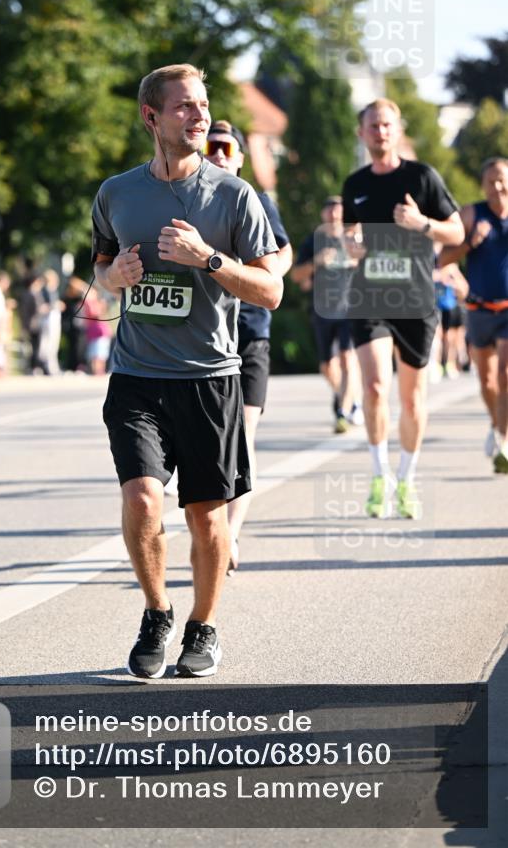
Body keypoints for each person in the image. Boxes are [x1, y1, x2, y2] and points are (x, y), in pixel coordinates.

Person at [92, 64, 282, 678]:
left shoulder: (233, 195)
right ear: (152, 118)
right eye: (184, 108)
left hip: (211, 378)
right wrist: (112, 278)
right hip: (137, 377)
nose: (200, 117)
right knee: (144, 499)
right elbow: (98, 271)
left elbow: (271, 291)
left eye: (203, 105)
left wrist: (210, 259)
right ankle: (156, 611)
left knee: (206, 516)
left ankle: (203, 626)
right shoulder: (117, 193)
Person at [341, 99, 464, 518]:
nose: (380, 132)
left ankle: (407, 478)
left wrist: (422, 224)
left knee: (412, 401)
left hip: (414, 298)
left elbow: (457, 231)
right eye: (372, 126)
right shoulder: (353, 183)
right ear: (362, 133)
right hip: (369, 296)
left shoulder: (422, 177)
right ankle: (380, 476)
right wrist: (352, 245)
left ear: (398, 129)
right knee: (375, 386)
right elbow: (349, 238)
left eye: (387, 125)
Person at [203, 119, 292, 574]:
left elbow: (284, 249)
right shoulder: (191, 197)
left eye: (226, 148)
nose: (218, 154)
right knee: (213, 439)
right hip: (204, 333)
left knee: (243, 434)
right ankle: (216, 528)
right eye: (211, 146)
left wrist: (270, 273)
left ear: (238, 158)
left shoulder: (255, 200)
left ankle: (230, 535)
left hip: (251, 329)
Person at [439, 157, 508, 473]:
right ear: (483, 185)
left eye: (502, 179)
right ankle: (497, 424)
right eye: (491, 180)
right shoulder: (471, 213)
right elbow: (442, 259)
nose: (497, 186)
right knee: (487, 381)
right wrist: (471, 242)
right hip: (479, 309)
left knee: (505, 375)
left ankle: (503, 440)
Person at [291, 196, 363, 433]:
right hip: (322, 310)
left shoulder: (355, 240)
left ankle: (342, 412)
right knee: (327, 367)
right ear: (323, 215)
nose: (334, 216)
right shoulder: (313, 241)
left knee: (347, 359)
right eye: (330, 211)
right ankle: (348, 398)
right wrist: (316, 263)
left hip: (351, 309)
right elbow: (296, 276)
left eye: (339, 212)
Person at [18, 272, 45, 374]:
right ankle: (31, 367)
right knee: (32, 347)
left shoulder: (36, 293)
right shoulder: (28, 294)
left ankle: (34, 366)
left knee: (36, 346)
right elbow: (26, 312)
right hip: (32, 324)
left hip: (36, 323)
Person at [38, 269, 63, 375]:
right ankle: (49, 366)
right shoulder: (46, 290)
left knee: (52, 343)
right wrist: (56, 305)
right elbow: (46, 305)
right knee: (50, 343)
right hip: (49, 318)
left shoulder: (51, 290)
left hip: (53, 318)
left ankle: (51, 366)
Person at [84, 286, 113, 375]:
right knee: (96, 353)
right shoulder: (89, 303)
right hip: (95, 331)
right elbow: (95, 314)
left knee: (102, 353)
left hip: (101, 331)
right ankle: (96, 371)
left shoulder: (98, 302)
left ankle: (100, 371)